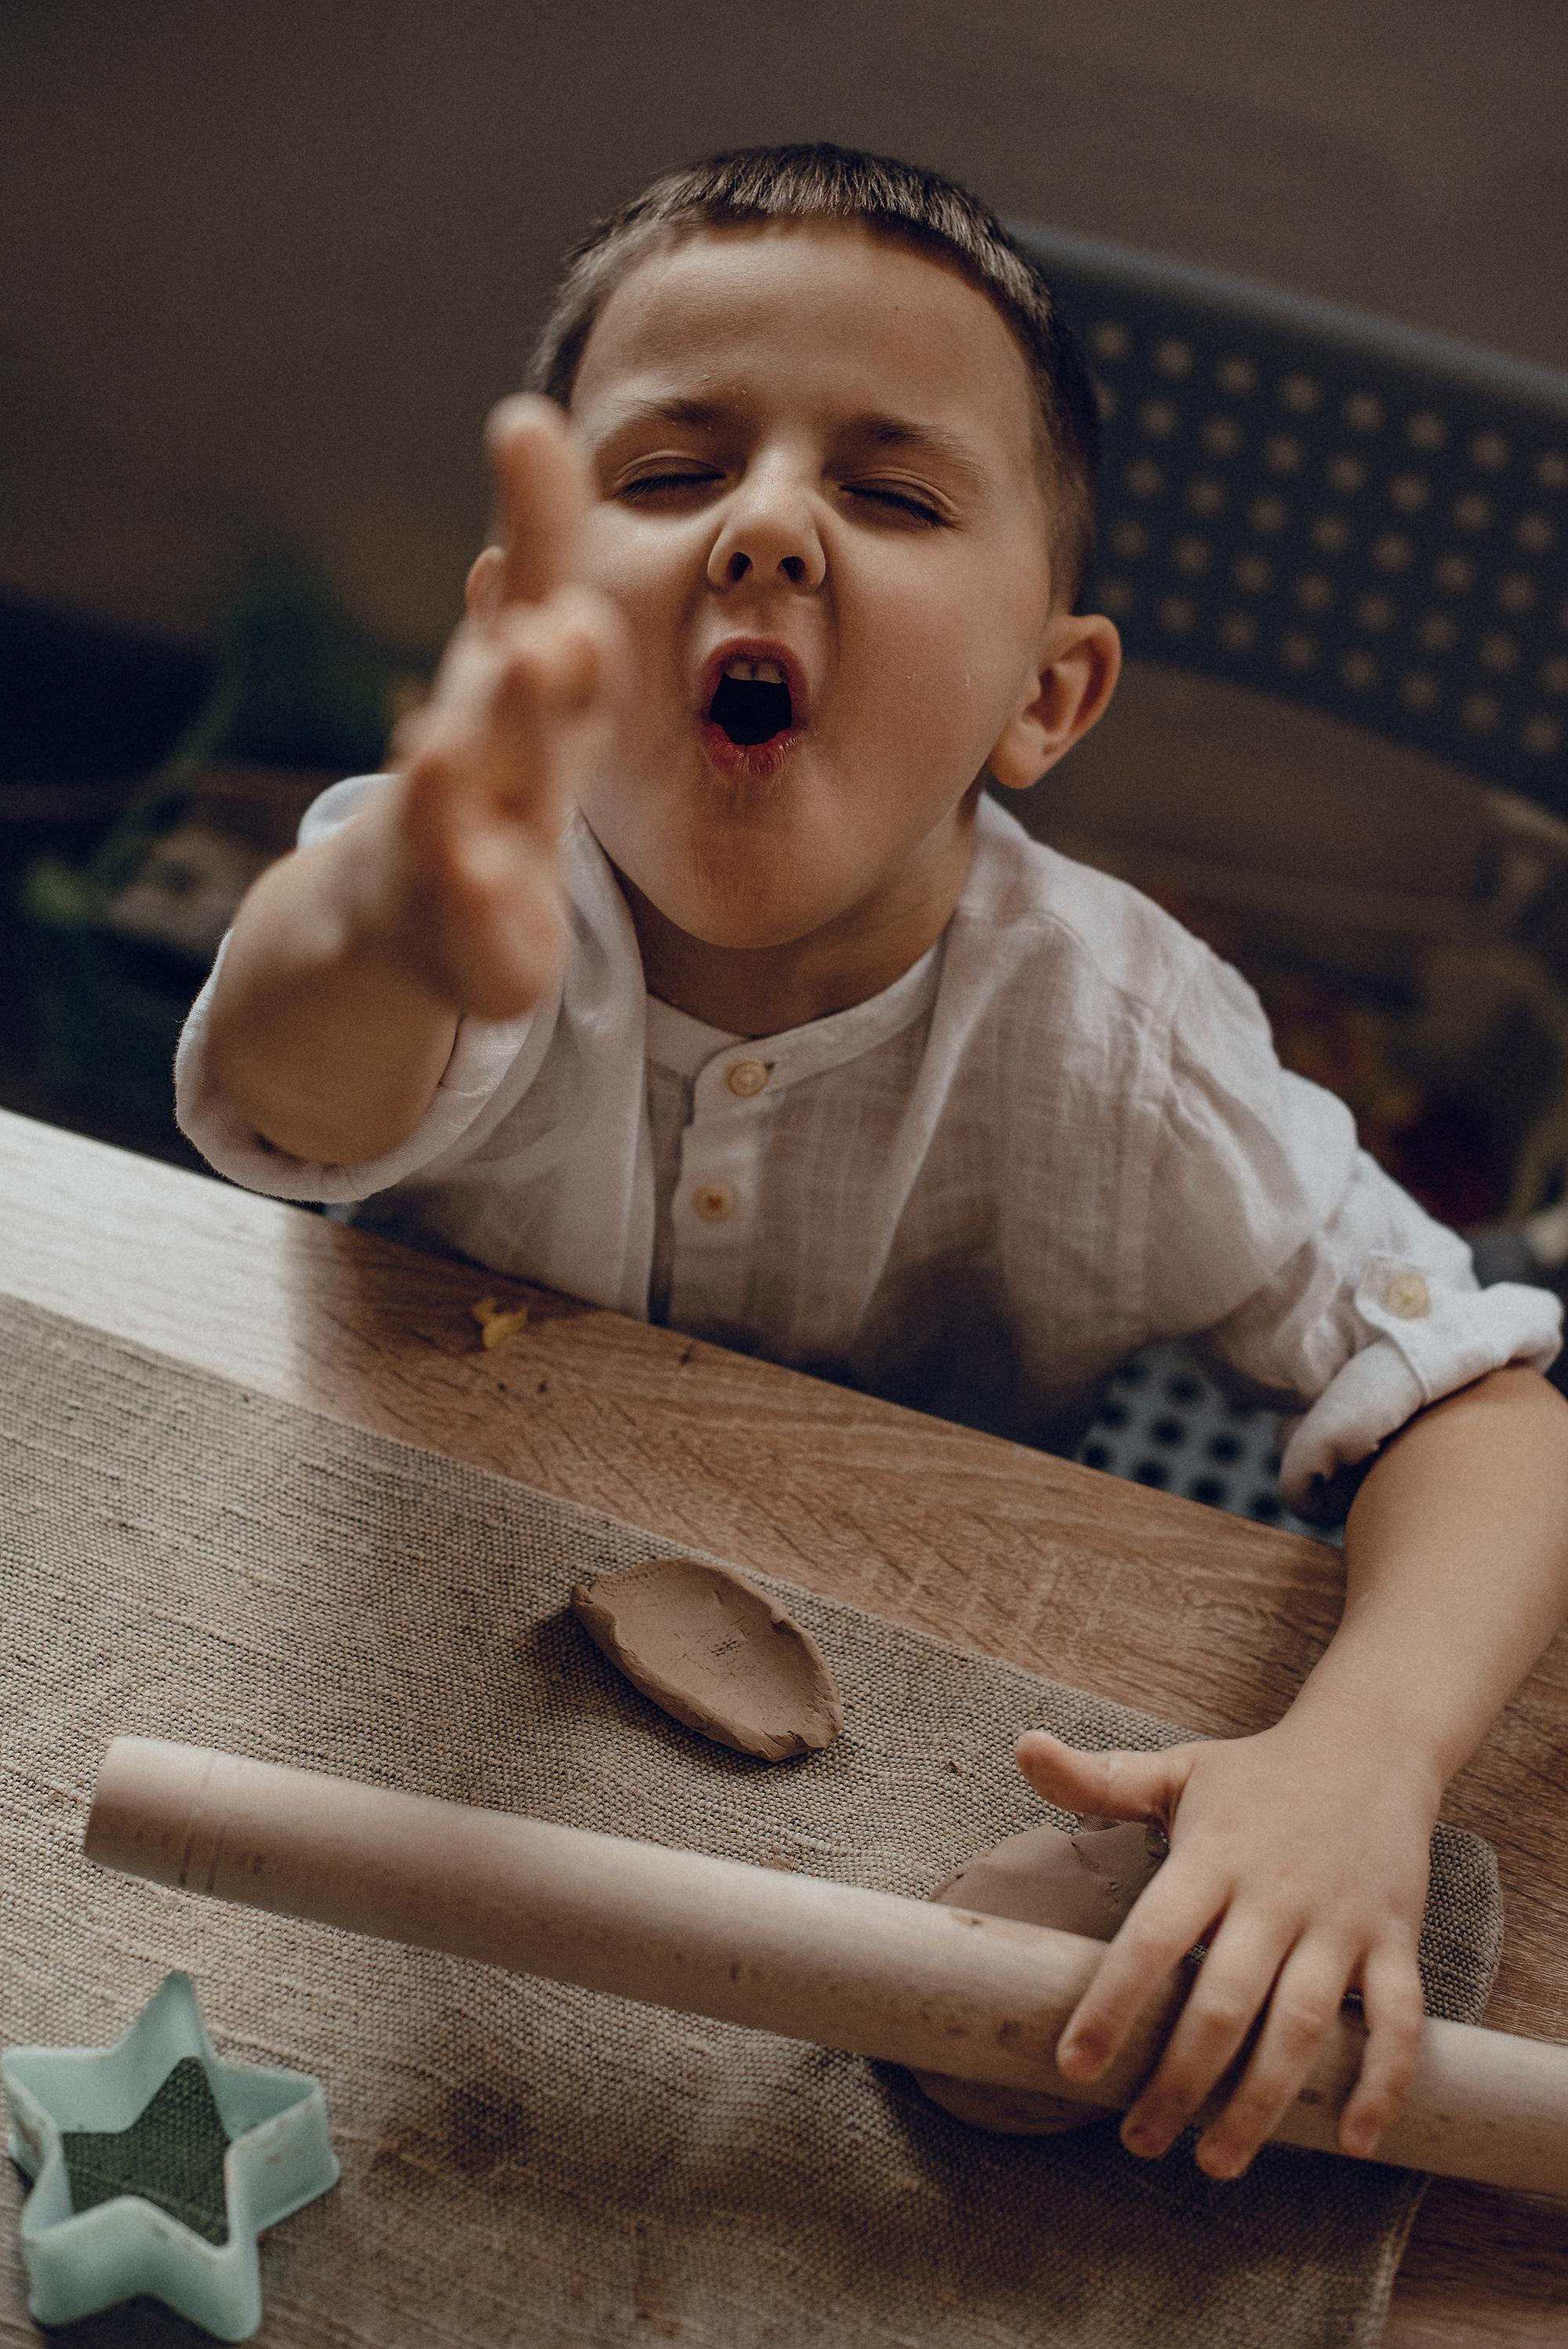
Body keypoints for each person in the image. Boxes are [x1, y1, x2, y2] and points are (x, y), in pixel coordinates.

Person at [176, 143, 1568, 2183]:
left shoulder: (1123, 1036)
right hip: (403, 1653)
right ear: (528, 619)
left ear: (1046, 695)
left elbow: (1491, 1405)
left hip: (918, 1722)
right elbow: (299, 1089)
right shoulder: (456, 890)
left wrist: (1360, 1760)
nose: (763, 529)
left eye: (891, 493)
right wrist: (380, 925)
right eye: (668, 477)